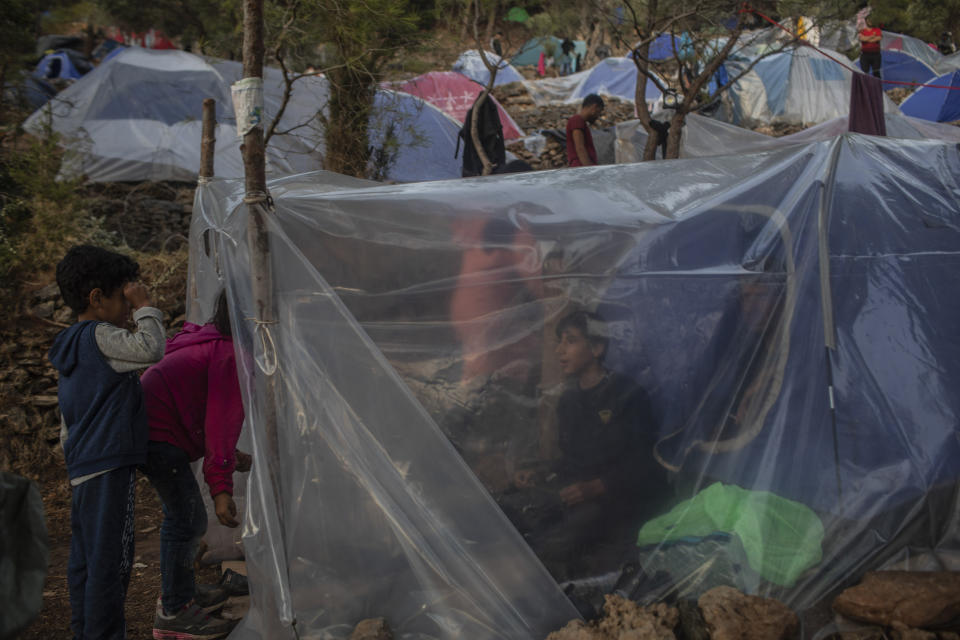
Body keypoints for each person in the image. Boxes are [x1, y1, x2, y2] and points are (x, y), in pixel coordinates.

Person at [48, 245, 166, 640]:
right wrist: (146, 305)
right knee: (111, 561)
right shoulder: (101, 335)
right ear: (97, 299)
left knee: (86, 560)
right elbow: (150, 349)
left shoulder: (70, 345)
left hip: (84, 465)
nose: (127, 309)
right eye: (122, 299)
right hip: (108, 466)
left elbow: (69, 413)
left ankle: (86, 630)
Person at [502, 310, 667, 579]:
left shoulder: (627, 394)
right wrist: (541, 472)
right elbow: (573, 458)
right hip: (575, 491)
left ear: (597, 348)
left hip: (617, 499)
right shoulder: (569, 400)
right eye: (559, 341)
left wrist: (597, 486)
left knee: (557, 538)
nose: (559, 350)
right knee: (507, 508)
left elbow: (645, 464)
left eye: (570, 341)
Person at [140, 290, 248, 640]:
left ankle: (181, 594)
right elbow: (218, 424)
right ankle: (174, 611)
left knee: (182, 518)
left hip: (151, 430)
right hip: (157, 437)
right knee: (188, 521)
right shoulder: (230, 354)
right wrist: (221, 489)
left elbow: (196, 408)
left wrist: (233, 459)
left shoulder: (210, 341)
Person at [566, 93, 604, 167]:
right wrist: (589, 170)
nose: (598, 116)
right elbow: (580, 148)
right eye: (598, 112)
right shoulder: (577, 120)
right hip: (580, 168)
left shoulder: (582, 123)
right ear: (594, 107)